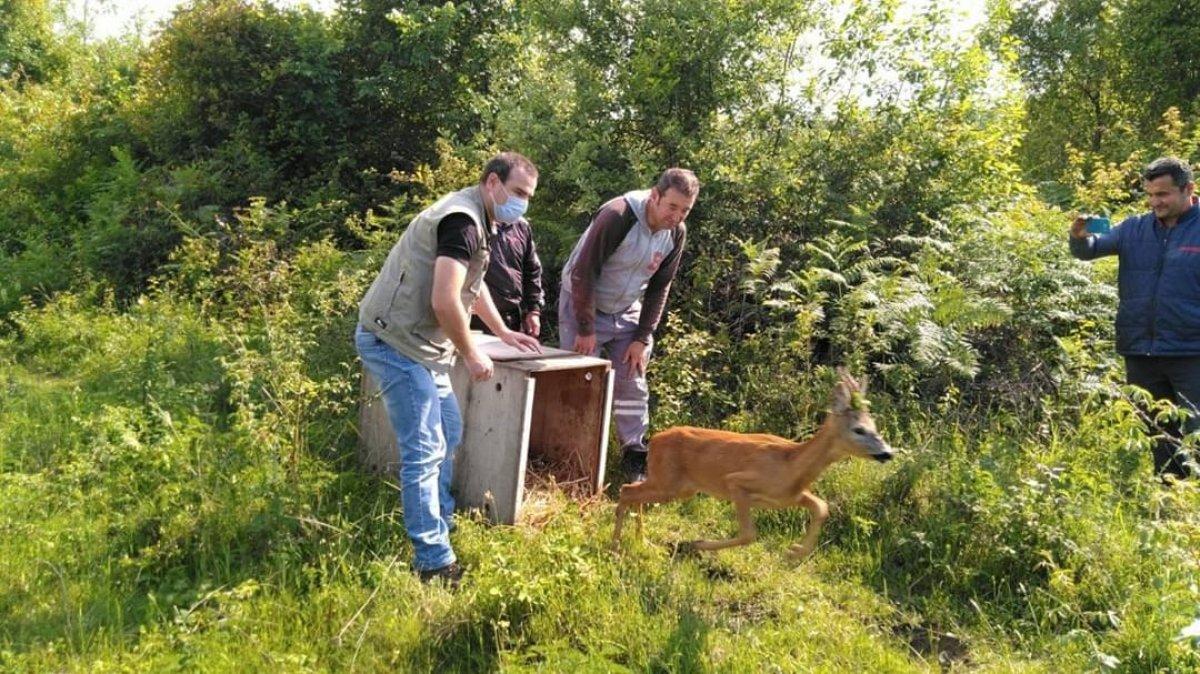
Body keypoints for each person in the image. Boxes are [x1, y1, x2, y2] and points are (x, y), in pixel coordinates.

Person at [355, 152, 542, 585]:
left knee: (449, 432)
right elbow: (444, 300)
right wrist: (472, 354)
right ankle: (434, 561)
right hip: (395, 341)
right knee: (424, 450)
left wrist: (503, 332)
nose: (523, 203)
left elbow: (470, 286)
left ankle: (439, 518)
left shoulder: (482, 216)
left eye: (529, 196)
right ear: (492, 182)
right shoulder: (462, 220)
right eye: (518, 192)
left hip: (422, 346)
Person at [558, 168, 699, 483]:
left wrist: (642, 336)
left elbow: (660, 286)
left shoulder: (676, 233)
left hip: (626, 308)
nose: (677, 216)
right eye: (672, 206)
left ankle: (635, 457)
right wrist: (585, 328)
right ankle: (569, 458)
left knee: (632, 379)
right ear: (655, 196)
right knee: (578, 381)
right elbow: (583, 271)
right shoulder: (618, 215)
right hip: (583, 303)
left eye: (685, 210)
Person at [1069, 156, 1200, 480]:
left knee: (1197, 435)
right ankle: (1169, 499)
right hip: (1141, 351)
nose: (1155, 202)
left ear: (1188, 189)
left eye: (1163, 194)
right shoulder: (1133, 228)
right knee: (1159, 435)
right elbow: (1089, 249)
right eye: (1151, 195)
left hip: (1192, 352)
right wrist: (1079, 236)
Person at [469, 214, 545, 337]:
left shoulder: (521, 226)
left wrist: (534, 310)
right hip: (474, 317)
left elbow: (532, 270)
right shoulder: (471, 222)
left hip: (510, 316)